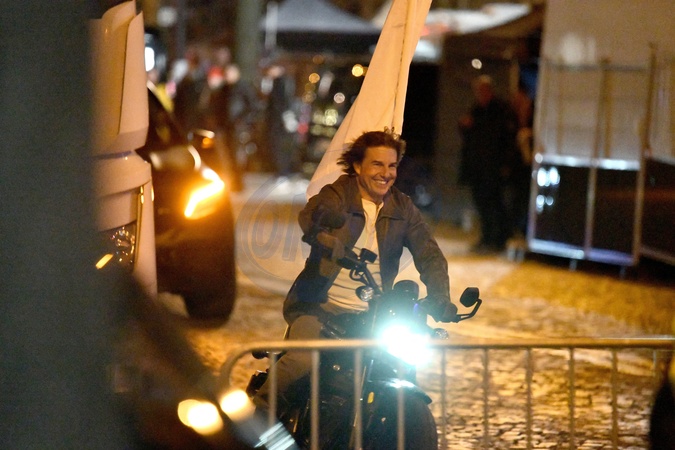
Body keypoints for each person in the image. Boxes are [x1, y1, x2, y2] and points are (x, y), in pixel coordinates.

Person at [254, 129, 459, 406]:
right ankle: (255, 415)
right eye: (377, 164)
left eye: (392, 166)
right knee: (302, 361)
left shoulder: (402, 207)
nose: (385, 173)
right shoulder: (339, 194)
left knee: (403, 368)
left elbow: (430, 255)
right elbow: (313, 214)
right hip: (320, 307)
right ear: (358, 166)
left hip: (374, 315)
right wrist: (325, 236)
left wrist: (440, 297)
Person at [459, 75, 521, 253]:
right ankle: (487, 238)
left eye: (483, 90)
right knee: (482, 204)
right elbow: (470, 136)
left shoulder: (500, 109)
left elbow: (506, 138)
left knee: (495, 203)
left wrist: (506, 164)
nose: (480, 94)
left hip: (493, 167)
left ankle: (500, 239)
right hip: (478, 168)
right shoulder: (477, 109)